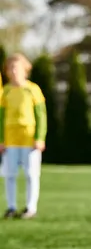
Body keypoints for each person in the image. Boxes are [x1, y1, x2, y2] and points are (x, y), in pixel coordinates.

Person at [0, 53, 47, 219]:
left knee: (31, 174)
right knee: (10, 174)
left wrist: (40, 137)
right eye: (10, 68)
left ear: (25, 69)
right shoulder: (5, 92)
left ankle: (30, 207)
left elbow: (41, 115)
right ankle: (11, 207)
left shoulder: (33, 89)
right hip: (11, 139)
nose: (13, 71)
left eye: (16, 68)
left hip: (29, 138)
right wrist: (1, 140)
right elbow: (1, 116)